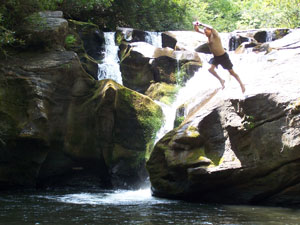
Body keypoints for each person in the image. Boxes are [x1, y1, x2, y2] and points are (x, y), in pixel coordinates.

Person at [193, 21, 245, 93]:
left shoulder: (215, 35)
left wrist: (201, 24)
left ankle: (241, 84)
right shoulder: (207, 35)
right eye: (204, 32)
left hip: (223, 57)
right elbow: (197, 30)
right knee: (210, 69)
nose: (205, 33)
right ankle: (221, 80)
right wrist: (195, 25)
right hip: (216, 57)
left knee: (231, 72)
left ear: (210, 31)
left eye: (206, 31)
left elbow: (211, 27)